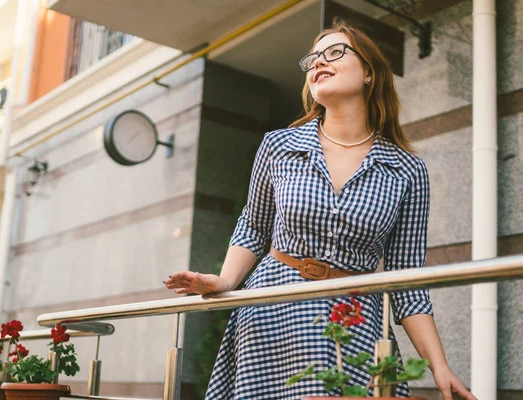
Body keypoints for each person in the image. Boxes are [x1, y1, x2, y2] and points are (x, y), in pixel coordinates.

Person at [164, 20, 477, 400]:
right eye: (313, 58)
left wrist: (438, 365)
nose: (318, 63)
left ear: (369, 73)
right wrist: (226, 282)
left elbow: (406, 279)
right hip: (273, 311)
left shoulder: (406, 168)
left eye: (335, 52)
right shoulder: (278, 146)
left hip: (356, 320)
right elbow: (253, 226)